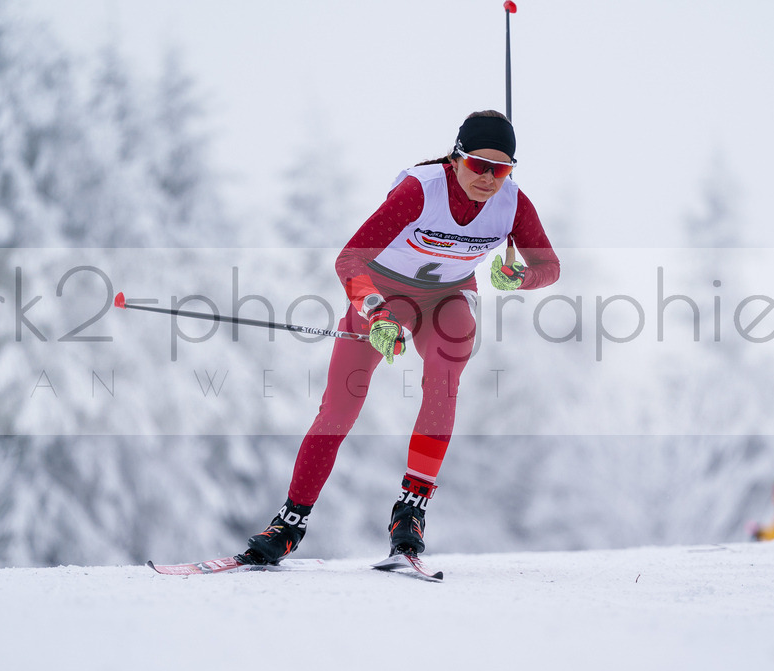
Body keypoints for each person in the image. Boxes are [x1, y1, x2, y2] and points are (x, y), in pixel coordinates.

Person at [238, 110, 560, 564]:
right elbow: (349, 260)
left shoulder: (513, 203)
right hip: (382, 292)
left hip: (447, 298)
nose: (488, 178)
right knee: (340, 404)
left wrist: (519, 278)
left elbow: (550, 268)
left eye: (500, 168)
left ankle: (411, 510)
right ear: (455, 158)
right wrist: (376, 313)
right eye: (477, 166)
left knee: (445, 372)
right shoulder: (420, 191)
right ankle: (290, 522)